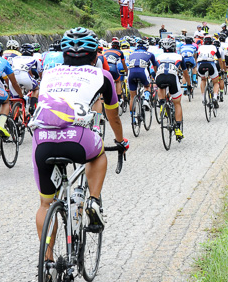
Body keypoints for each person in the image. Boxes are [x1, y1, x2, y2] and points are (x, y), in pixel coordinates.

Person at [30, 27, 128, 243]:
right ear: (95, 56)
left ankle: (48, 264)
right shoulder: (103, 76)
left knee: (45, 204)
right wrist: (120, 142)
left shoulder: (48, 73)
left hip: (42, 140)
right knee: (99, 153)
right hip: (79, 140)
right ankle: (92, 201)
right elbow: (114, 118)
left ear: (64, 54)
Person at [155, 38, 190, 139]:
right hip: (172, 77)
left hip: (160, 76)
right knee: (177, 103)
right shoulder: (179, 56)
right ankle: (178, 128)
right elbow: (185, 73)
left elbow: (155, 70)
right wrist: (188, 84)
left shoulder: (159, 56)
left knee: (161, 86)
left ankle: (162, 103)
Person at [127, 41, 158, 123]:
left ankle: (133, 118)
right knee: (147, 86)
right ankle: (146, 100)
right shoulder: (150, 54)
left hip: (131, 72)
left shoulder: (131, 53)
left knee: (132, 97)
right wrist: (155, 76)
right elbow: (155, 66)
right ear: (146, 47)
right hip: (142, 71)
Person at [10, 43, 43, 114]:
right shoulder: (34, 59)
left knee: (16, 100)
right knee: (36, 89)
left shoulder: (15, 58)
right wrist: (42, 79)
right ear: (32, 53)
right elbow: (40, 72)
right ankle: (32, 106)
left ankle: (13, 121)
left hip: (13, 77)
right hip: (24, 76)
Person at [196, 36, 221, 109]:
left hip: (200, 65)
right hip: (210, 64)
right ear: (212, 42)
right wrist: (221, 69)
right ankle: (215, 97)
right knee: (216, 82)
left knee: (203, 80)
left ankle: (203, 98)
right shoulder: (214, 47)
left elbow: (197, 57)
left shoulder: (200, 47)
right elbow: (219, 59)